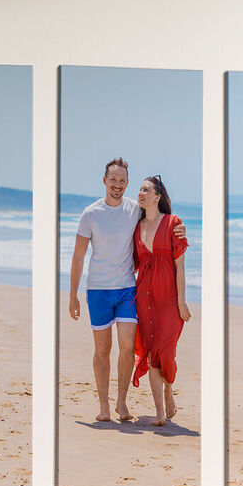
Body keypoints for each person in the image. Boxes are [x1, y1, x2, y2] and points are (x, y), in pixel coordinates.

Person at [68, 158, 184, 422]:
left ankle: (121, 402)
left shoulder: (135, 209)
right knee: (102, 350)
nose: (117, 185)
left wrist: (179, 227)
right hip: (98, 290)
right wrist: (72, 295)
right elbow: (77, 257)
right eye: (113, 180)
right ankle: (103, 405)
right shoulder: (90, 214)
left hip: (127, 290)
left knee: (128, 346)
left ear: (127, 183)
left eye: (122, 181)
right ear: (104, 181)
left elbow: (161, 220)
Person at [130, 175, 189, 425]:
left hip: (169, 298)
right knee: (152, 351)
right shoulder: (135, 227)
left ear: (157, 196)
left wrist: (182, 301)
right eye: (140, 190)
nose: (141, 193)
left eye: (146, 190)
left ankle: (168, 389)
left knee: (166, 352)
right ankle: (160, 413)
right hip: (143, 296)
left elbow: (180, 266)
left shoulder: (173, 223)